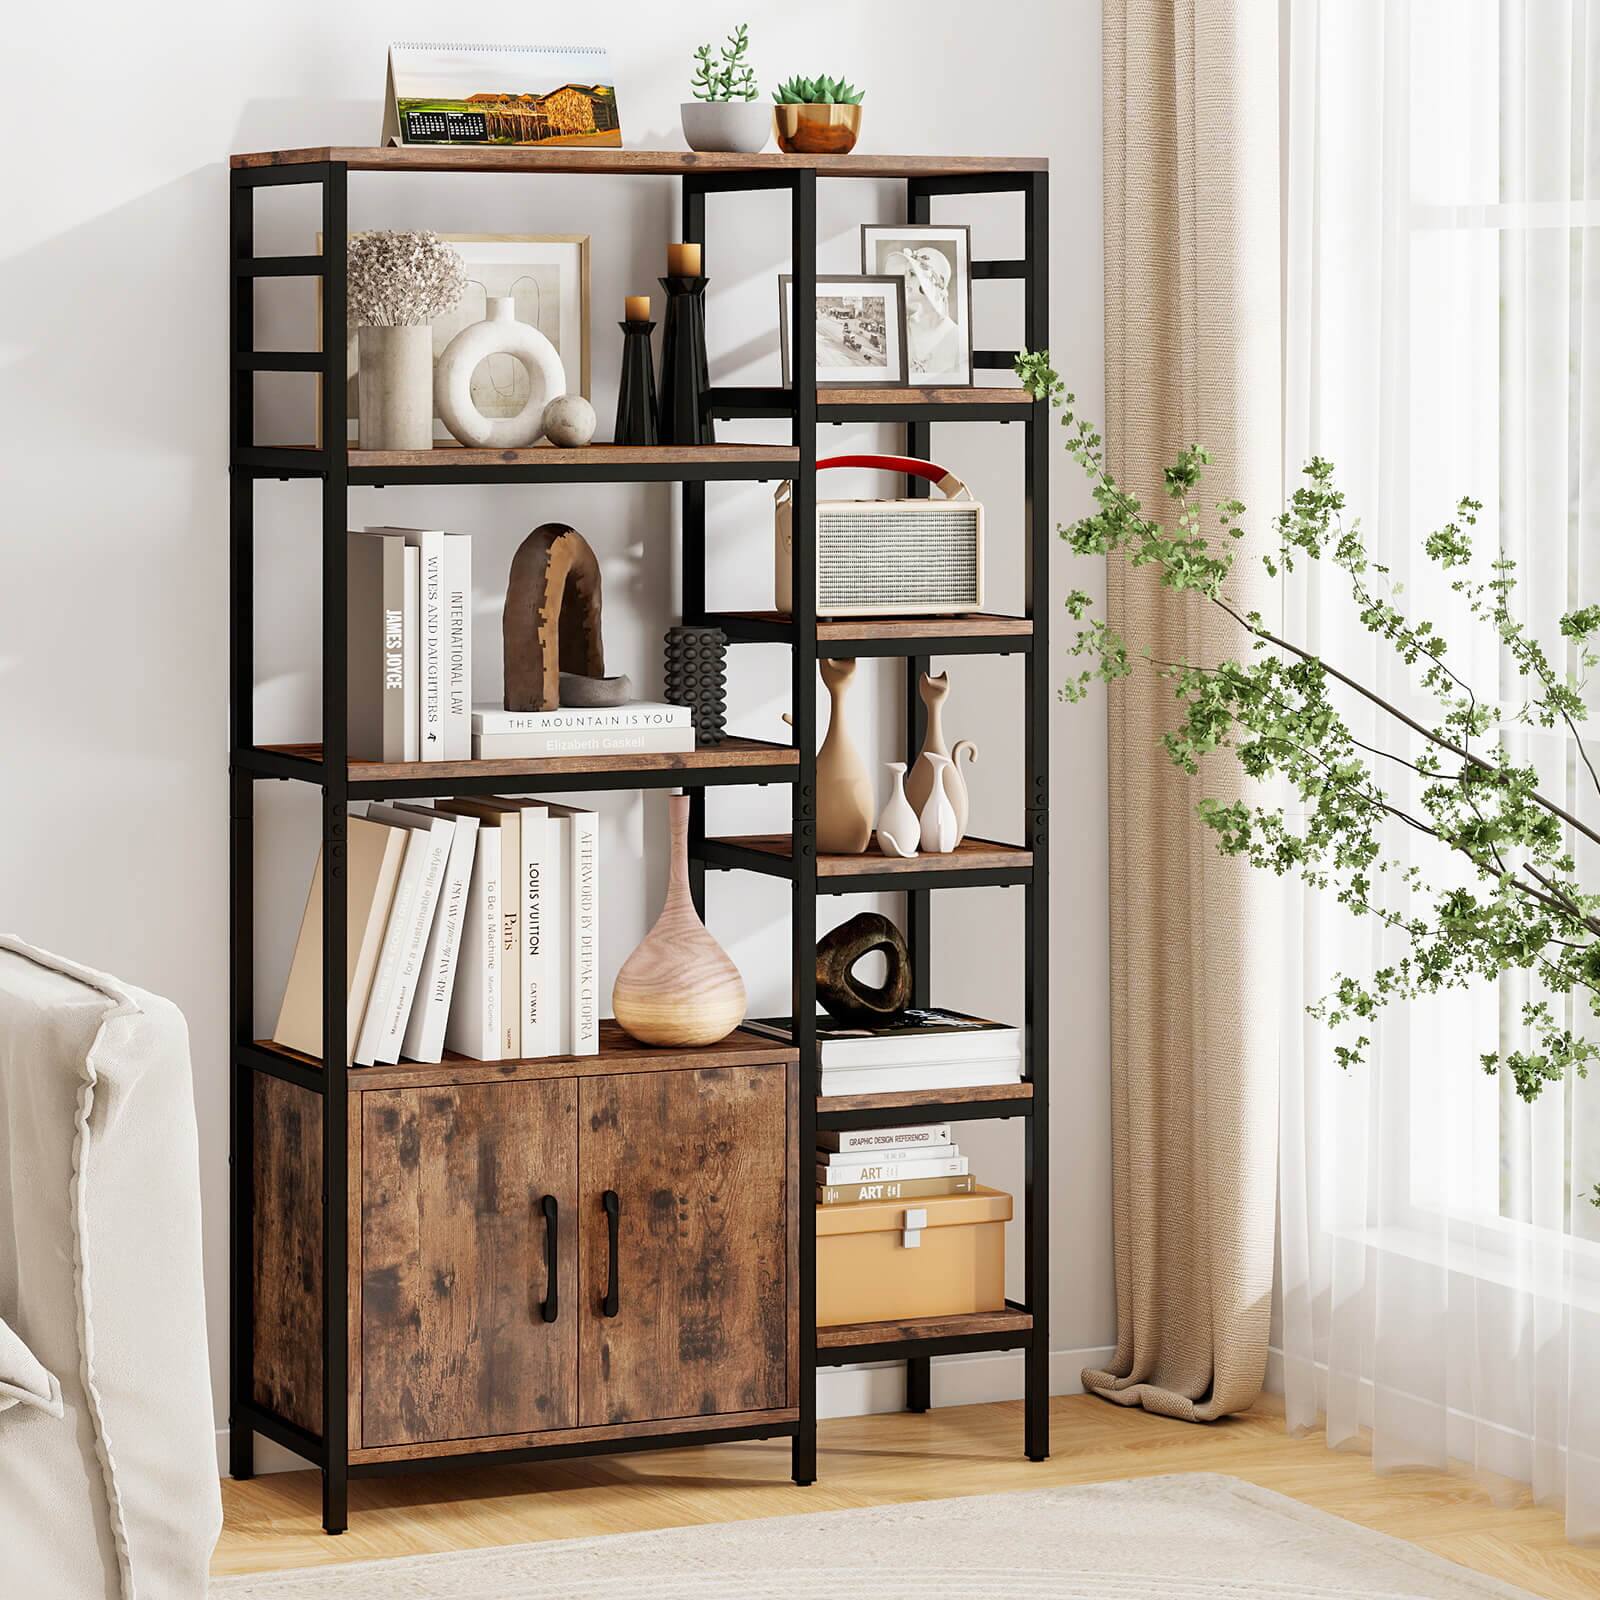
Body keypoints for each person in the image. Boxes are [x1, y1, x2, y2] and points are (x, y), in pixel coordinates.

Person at [886, 245, 964, 380]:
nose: (905, 280)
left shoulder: (956, 336)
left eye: (912, 274)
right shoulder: (901, 328)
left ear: (929, 283)